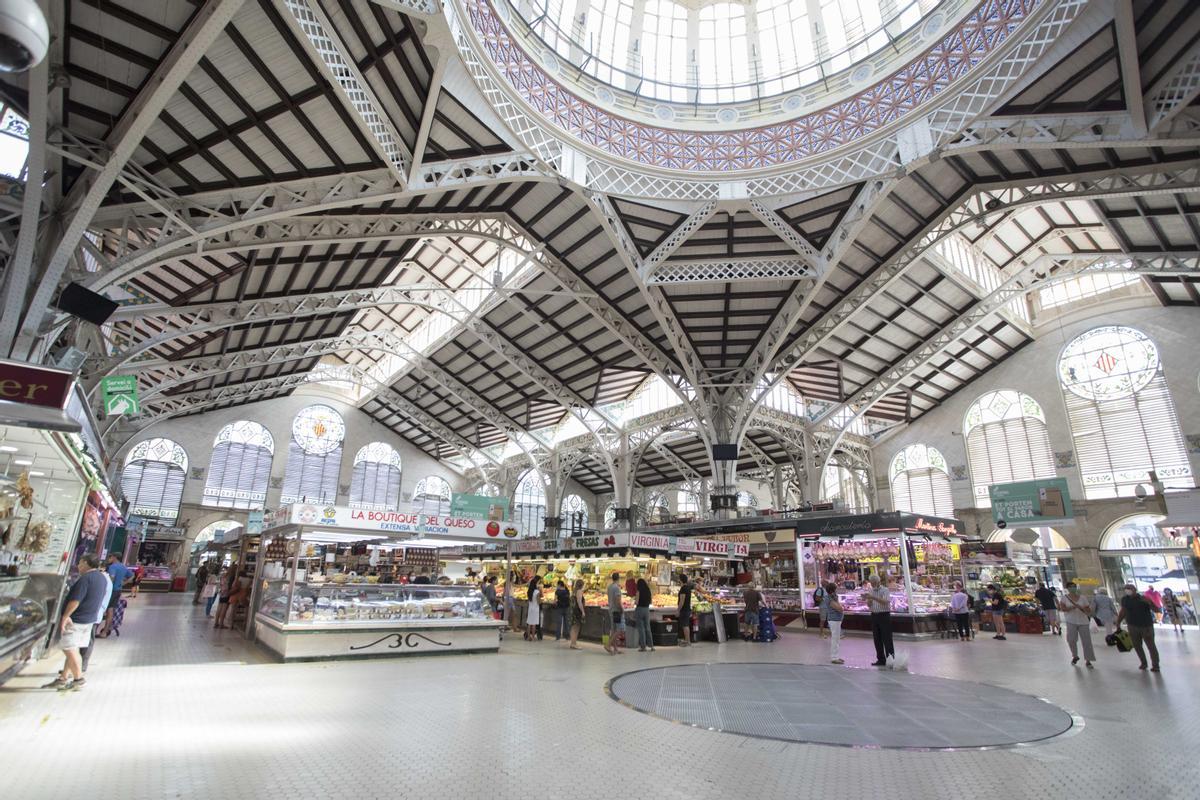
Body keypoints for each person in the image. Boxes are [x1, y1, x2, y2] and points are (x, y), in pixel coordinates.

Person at [43, 555, 108, 690]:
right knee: (74, 648)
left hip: (76, 620)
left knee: (69, 649)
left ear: (85, 563)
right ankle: (63, 678)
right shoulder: (102, 578)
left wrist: (66, 616)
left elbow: (75, 600)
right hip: (89, 619)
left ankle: (79, 679)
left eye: (79, 563)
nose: (78, 566)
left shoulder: (85, 579)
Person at [1116, 583, 1160, 672]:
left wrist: (1150, 602)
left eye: (1129, 588)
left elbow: (1156, 610)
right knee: (1137, 645)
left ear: (1134, 589)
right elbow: (1123, 611)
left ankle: (1156, 665)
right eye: (1126, 589)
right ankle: (1143, 663)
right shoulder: (1125, 599)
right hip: (1132, 626)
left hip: (1146, 626)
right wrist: (1118, 622)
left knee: (1151, 646)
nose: (1127, 590)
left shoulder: (1143, 599)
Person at [79, 565, 114, 674]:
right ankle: (77, 665)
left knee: (87, 640)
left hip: (92, 613)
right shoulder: (105, 579)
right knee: (85, 640)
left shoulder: (101, 580)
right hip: (94, 613)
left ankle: (81, 666)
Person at [1057, 582, 1095, 668]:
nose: (1073, 588)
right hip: (1071, 621)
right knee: (1071, 639)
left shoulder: (1083, 598)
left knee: (1086, 641)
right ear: (1067, 588)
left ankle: (1088, 660)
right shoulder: (1064, 598)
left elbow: (1088, 610)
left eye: (1074, 586)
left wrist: (1082, 608)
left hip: (1083, 621)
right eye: (1071, 587)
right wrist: (1072, 607)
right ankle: (1075, 655)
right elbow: (1062, 608)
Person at [98, 554, 133, 638]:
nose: (109, 559)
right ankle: (105, 631)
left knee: (104, 609)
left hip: (111, 591)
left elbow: (111, 578)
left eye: (110, 557)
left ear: (114, 557)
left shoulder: (113, 567)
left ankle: (102, 631)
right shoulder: (123, 567)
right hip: (118, 590)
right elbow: (132, 575)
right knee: (111, 610)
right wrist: (124, 583)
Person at [865, 574, 894, 666]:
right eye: (871, 582)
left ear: (878, 582)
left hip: (884, 615)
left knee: (887, 638)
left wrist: (873, 597)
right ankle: (881, 659)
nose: (872, 584)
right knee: (877, 638)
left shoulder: (885, 590)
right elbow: (869, 605)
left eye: (874, 582)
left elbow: (885, 601)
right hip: (874, 615)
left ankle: (891, 659)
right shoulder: (870, 590)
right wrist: (868, 600)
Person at [823, 582, 845, 664]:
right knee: (835, 639)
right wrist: (841, 607)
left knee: (837, 639)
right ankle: (834, 657)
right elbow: (839, 608)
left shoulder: (833, 597)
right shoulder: (829, 598)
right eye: (836, 589)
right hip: (834, 620)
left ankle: (836, 656)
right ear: (832, 590)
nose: (837, 590)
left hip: (836, 620)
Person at [606, 572, 625, 655]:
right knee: (619, 629)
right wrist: (621, 609)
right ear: (618, 578)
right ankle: (608, 645)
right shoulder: (616, 588)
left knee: (613, 629)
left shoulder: (609, 587)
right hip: (616, 611)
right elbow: (618, 600)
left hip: (611, 609)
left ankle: (615, 649)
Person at [635, 577, 655, 652]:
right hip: (647, 610)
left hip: (640, 609)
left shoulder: (638, 591)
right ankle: (652, 646)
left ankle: (643, 647)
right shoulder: (648, 590)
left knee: (641, 629)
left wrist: (634, 601)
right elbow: (651, 602)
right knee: (648, 628)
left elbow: (636, 602)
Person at [569, 578, 586, 650]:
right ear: (581, 585)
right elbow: (579, 602)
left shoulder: (574, 591)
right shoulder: (579, 591)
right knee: (576, 627)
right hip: (577, 611)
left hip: (573, 610)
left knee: (573, 627)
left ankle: (573, 643)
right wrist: (583, 611)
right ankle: (574, 643)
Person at [676, 574, 693, 647]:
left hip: (684, 609)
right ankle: (687, 640)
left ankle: (687, 641)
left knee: (685, 625)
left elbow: (682, 601)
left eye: (679, 579)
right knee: (685, 625)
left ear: (681, 580)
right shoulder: (688, 588)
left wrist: (678, 610)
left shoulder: (683, 589)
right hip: (687, 608)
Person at [525, 576, 542, 641]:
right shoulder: (537, 592)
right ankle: (533, 637)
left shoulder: (529, 591)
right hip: (535, 609)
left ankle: (528, 636)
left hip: (530, 608)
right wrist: (541, 601)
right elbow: (538, 602)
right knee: (534, 623)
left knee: (529, 623)